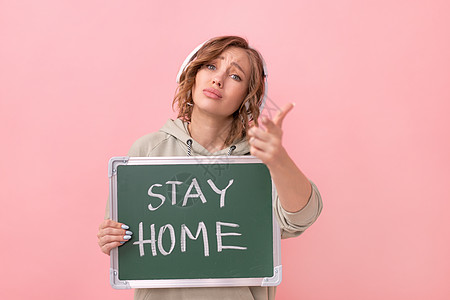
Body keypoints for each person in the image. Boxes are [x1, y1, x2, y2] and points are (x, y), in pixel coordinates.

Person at [97, 36, 322, 300]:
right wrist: (109, 238)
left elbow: (300, 218)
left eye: (235, 76)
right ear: (192, 74)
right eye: (211, 67)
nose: (218, 80)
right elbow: (122, 236)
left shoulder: (261, 159)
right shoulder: (147, 150)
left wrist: (278, 159)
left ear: (247, 97)